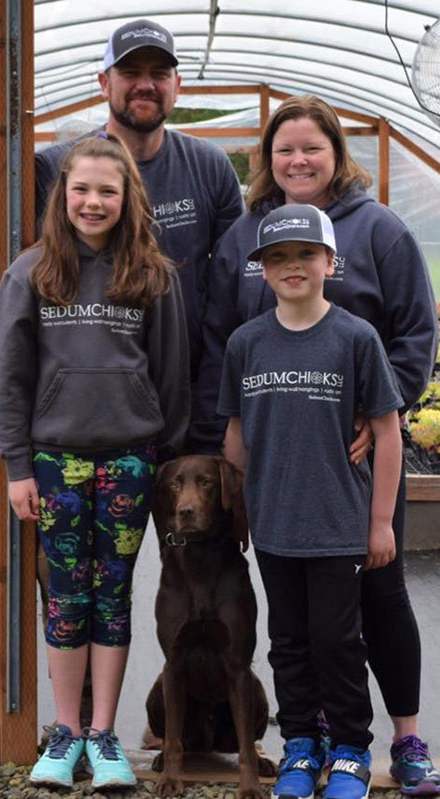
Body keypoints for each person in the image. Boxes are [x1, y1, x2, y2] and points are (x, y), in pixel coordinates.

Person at [196, 94, 440, 794]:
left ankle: (404, 738)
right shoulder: (248, 233)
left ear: (337, 153)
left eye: (312, 147)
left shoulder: (380, 230)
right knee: (298, 623)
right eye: (283, 149)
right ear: (265, 158)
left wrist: (377, 407)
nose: (297, 159)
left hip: (355, 459)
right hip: (281, 465)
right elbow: (224, 340)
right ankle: (312, 736)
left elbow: (415, 335)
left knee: (379, 599)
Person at [0, 132, 190, 789]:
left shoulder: (151, 274)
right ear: (62, 196)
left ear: (128, 196)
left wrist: (156, 449)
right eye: (81, 189)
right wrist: (18, 464)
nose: (93, 202)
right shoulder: (33, 272)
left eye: (108, 190)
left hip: (130, 462)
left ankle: (104, 735)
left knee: (113, 596)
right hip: (56, 464)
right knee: (67, 598)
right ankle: (65, 733)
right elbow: (9, 378)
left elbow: (171, 374)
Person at [219, 203, 404, 799]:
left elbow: (388, 431)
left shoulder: (355, 338)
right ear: (262, 271)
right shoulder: (246, 343)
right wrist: (240, 510)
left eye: (305, 254)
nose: (292, 266)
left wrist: (379, 523)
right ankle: (300, 744)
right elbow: (237, 438)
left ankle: (351, 749)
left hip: (337, 527)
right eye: (277, 257)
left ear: (330, 261)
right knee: (287, 644)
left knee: (338, 642)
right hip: (274, 528)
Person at [34, 17, 243, 377]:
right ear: (104, 83)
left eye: (159, 74)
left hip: (187, 378)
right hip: (90, 385)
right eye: (130, 72)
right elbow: (35, 282)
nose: (145, 85)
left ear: (176, 86)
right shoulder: (55, 169)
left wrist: (215, 388)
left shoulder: (209, 166)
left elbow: (232, 285)